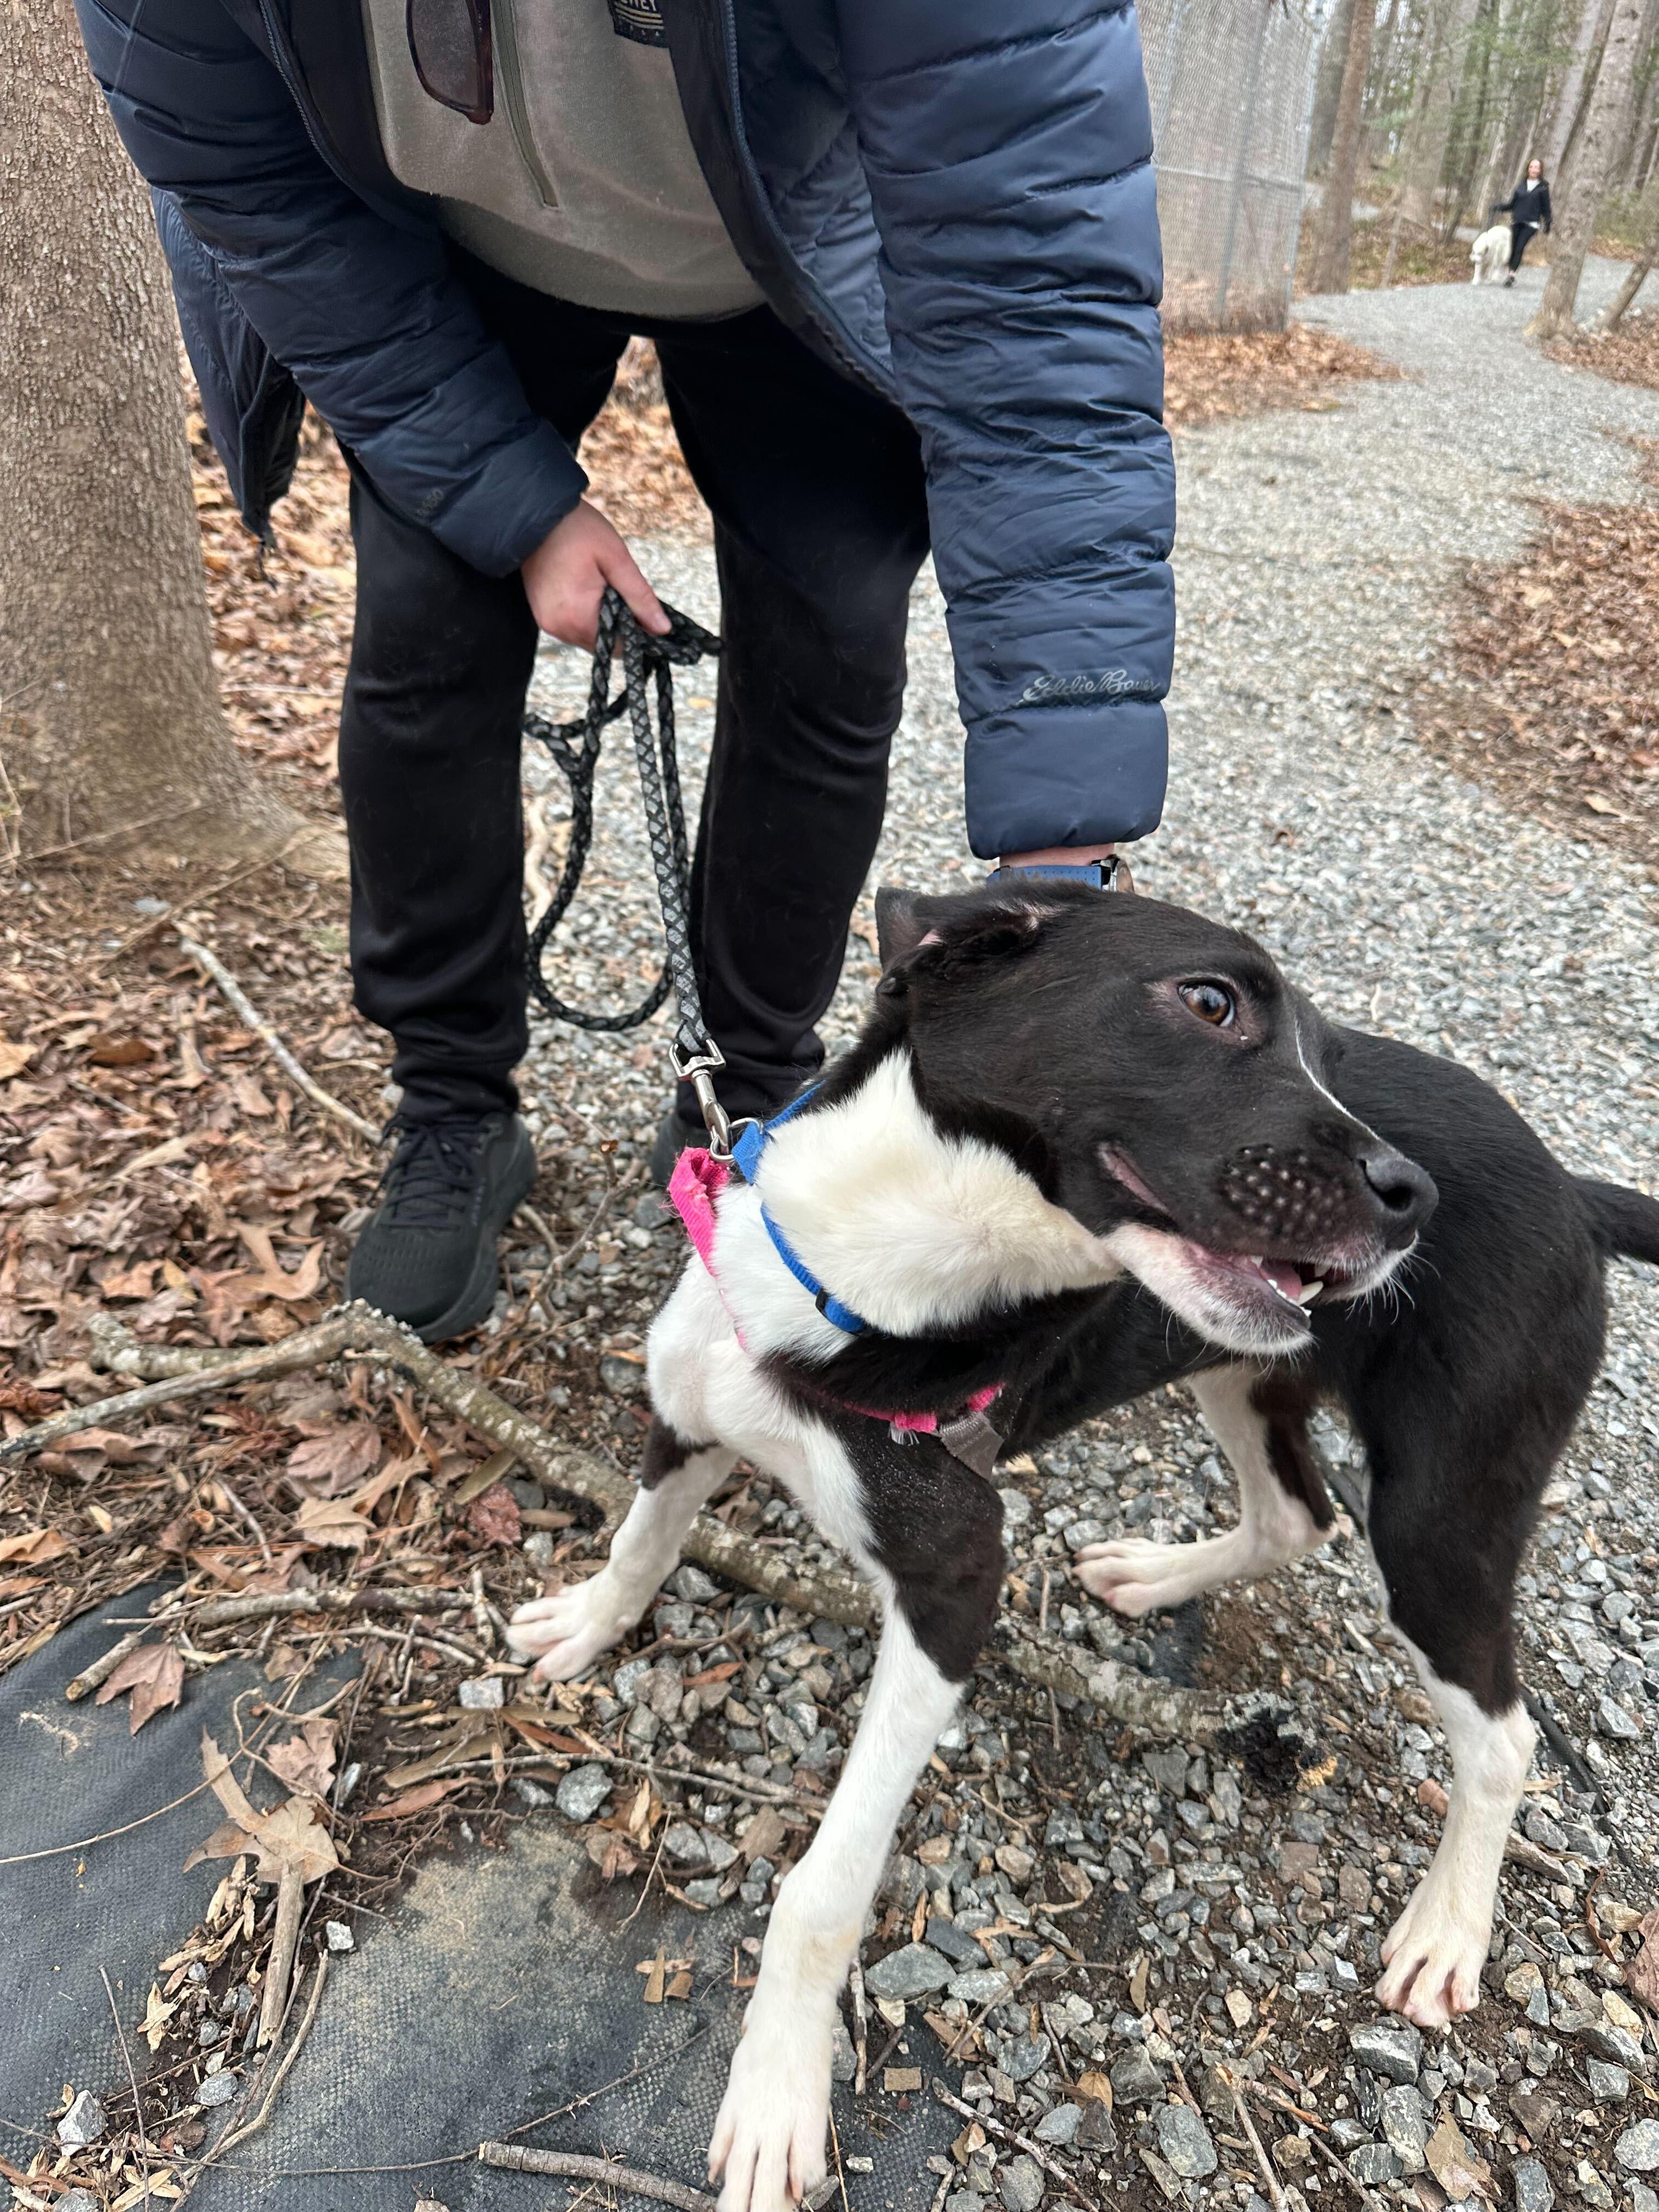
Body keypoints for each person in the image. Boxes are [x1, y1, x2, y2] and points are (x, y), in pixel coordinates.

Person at [76, 0, 1176, 1344]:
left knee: (831, 630)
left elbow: (1035, 294)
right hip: (447, 258)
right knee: (424, 630)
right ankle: (453, 1111)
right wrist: (520, 508)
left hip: (800, 247)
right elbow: (265, 201)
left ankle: (747, 1095)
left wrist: (1066, 845)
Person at [1495, 159, 1553, 285]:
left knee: (1520, 246)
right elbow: (1512, 204)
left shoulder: (1543, 187)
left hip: (1531, 224)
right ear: (1528, 169)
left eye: (1537, 167)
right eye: (1532, 167)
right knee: (1513, 246)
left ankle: (1512, 275)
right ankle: (1511, 272)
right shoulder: (1521, 185)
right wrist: (1499, 207)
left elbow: (1546, 207)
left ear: (1540, 170)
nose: (1534, 170)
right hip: (1517, 221)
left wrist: (1548, 222)